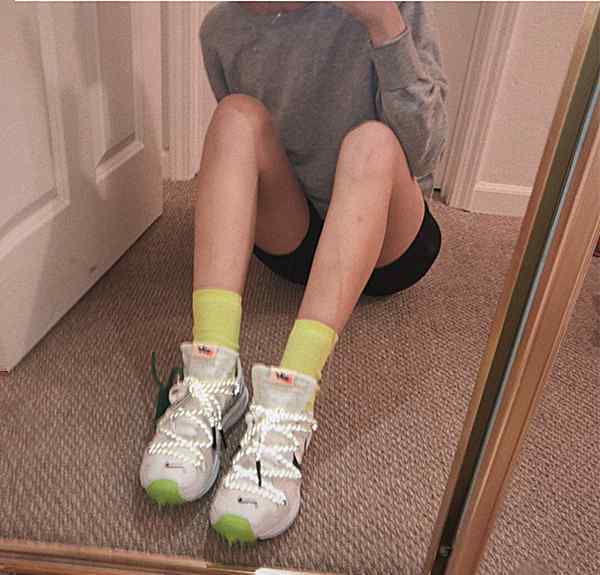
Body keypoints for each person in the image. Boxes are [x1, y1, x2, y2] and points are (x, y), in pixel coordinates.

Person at [140, 0, 448, 544]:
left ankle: (290, 400)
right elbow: (248, 163)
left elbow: (422, 155)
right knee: (235, 115)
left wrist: (382, 23)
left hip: (389, 243)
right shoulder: (223, 28)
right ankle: (213, 374)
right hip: (296, 234)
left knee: (373, 142)